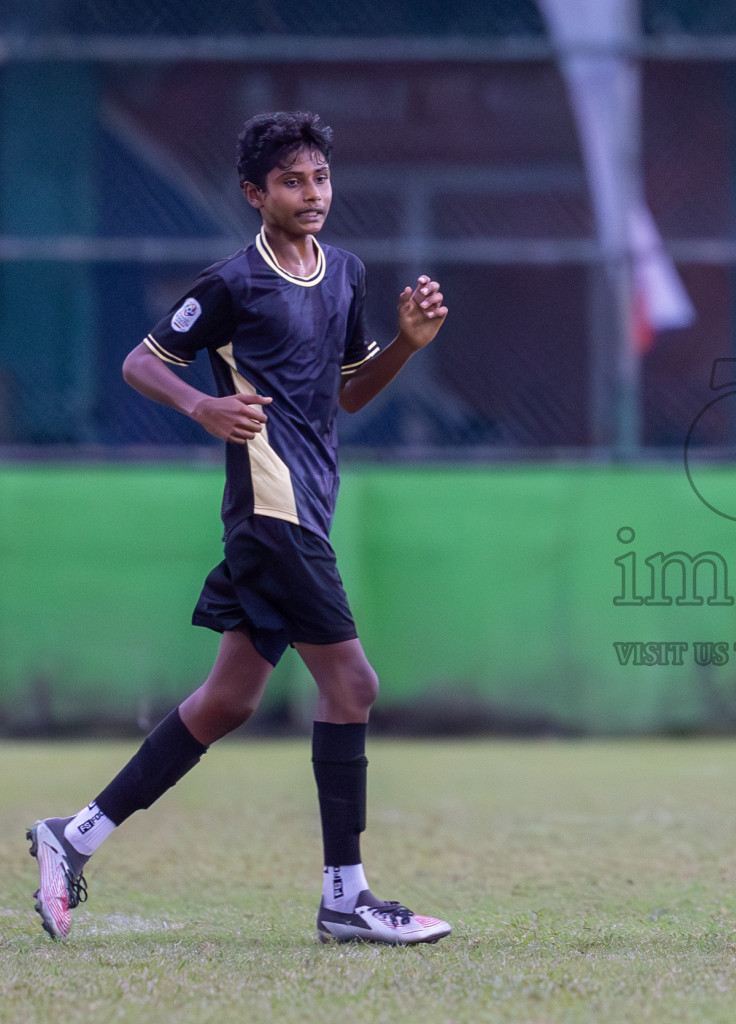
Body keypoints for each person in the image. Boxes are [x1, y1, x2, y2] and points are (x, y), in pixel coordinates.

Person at [27, 111, 451, 945]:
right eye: (291, 181)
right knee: (353, 684)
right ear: (256, 194)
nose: (312, 193)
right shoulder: (232, 284)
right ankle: (346, 896)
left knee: (227, 699)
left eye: (320, 177)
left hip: (308, 506)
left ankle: (71, 838)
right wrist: (203, 404)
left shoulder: (347, 272)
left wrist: (404, 344)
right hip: (271, 512)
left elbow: (353, 391)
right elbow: (142, 361)